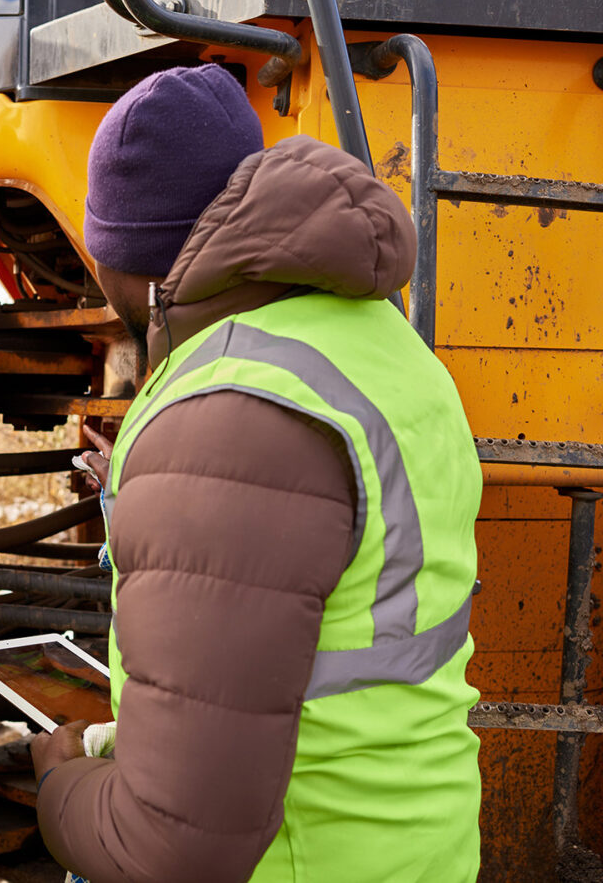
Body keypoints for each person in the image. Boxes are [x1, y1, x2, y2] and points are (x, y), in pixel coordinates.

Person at [31, 64, 483, 882]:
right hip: (413, 846)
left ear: (125, 263)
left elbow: (176, 847)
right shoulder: (385, 348)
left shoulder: (225, 409)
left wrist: (58, 783)